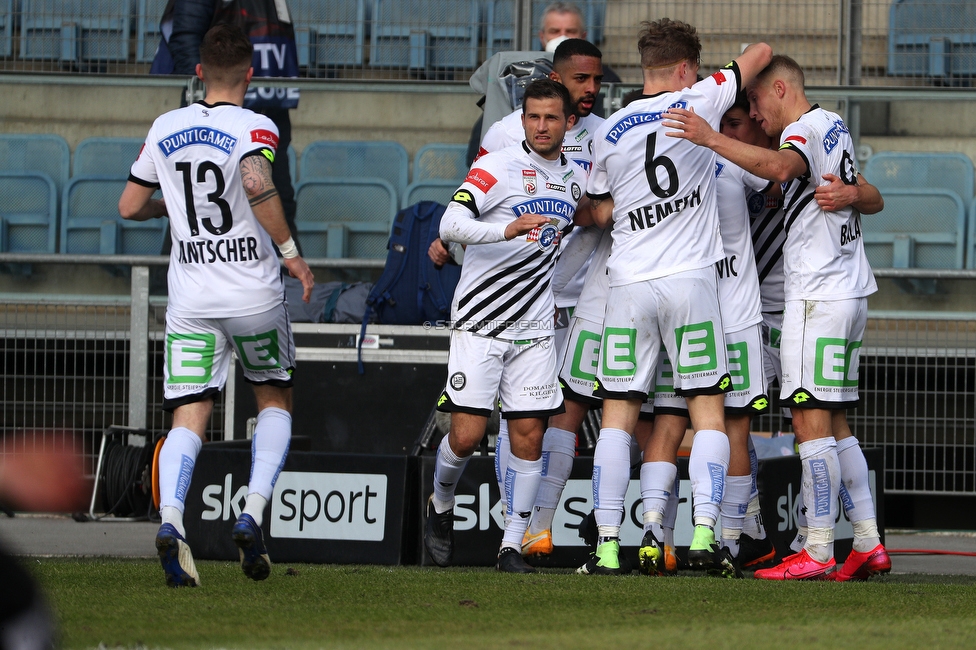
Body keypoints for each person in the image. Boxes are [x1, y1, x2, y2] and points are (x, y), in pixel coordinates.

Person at [663, 54, 890, 581]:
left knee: (808, 424)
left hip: (815, 299)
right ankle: (867, 541)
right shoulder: (834, 124)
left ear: (781, 87)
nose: (758, 117)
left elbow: (783, 167)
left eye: (759, 103)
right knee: (835, 425)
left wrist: (708, 137)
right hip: (851, 293)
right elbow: (874, 197)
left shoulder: (804, 132)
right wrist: (855, 193)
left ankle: (816, 548)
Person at [119, 24, 315, 588]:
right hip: (253, 295)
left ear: (199, 71)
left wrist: (172, 212)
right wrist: (292, 255)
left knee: (190, 414)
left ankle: (172, 520)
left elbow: (129, 206)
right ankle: (252, 511)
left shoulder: (165, 126)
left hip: (191, 301)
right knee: (274, 399)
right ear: (251, 74)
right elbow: (256, 183)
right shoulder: (256, 125)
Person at [581, 17, 772, 575]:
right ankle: (706, 536)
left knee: (618, 416)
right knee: (707, 414)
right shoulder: (701, 100)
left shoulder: (608, 129)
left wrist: (632, 211)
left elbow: (594, 210)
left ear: (645, 69)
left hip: (629, 284)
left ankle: (609, 544)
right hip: (691, 283)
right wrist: (723, 75)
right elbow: (759, 49)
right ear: (686, 69)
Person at [424, 79, 589, 574]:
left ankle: (510, 545)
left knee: (529, 435)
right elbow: (449, 226)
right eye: (533, 117)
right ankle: (440, 503)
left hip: (535, 324)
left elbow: (582, 226)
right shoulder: (495, 167)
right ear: (522, 120)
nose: (541, 126)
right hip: (479, 319)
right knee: (467, 436)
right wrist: (506, 229)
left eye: (551, 118)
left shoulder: (574, 180)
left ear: (568, 122)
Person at [151, 0, 302, 258]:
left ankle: (291, 285)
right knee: (199, 199)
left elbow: (129, 205)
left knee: (279, 193)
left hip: (267, 108)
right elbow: (186, 37)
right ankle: (161, 287)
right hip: (214, 111)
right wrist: (208, 100)